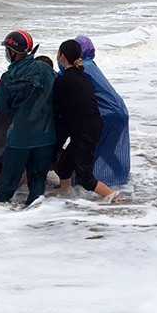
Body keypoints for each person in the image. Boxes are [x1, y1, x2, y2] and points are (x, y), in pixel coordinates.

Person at [0, 30, 56, 205]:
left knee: (6, 187)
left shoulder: (8, 77)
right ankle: (33, 224)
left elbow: (1, 106)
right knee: (38, 186)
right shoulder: (45, 69)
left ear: (13, 52)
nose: (5, 53)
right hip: (46, 136)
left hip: (20, 139)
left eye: (6, 49)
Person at [54, 39, 118, 202]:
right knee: (64, 166)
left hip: (85, 129)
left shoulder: (63, 80)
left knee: (85, 177)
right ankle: (65, 198)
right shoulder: (82, 76)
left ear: (61, 56)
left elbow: (57, 108)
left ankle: (114, 198)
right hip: (91, 126)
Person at [74, 34, 130, 186]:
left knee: (92, 150)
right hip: (120, 111)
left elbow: (64, 79)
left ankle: (82, 182)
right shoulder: (91, 65)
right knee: (108, 150)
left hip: (106, 113)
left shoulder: (82, 67)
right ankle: (121, 178)